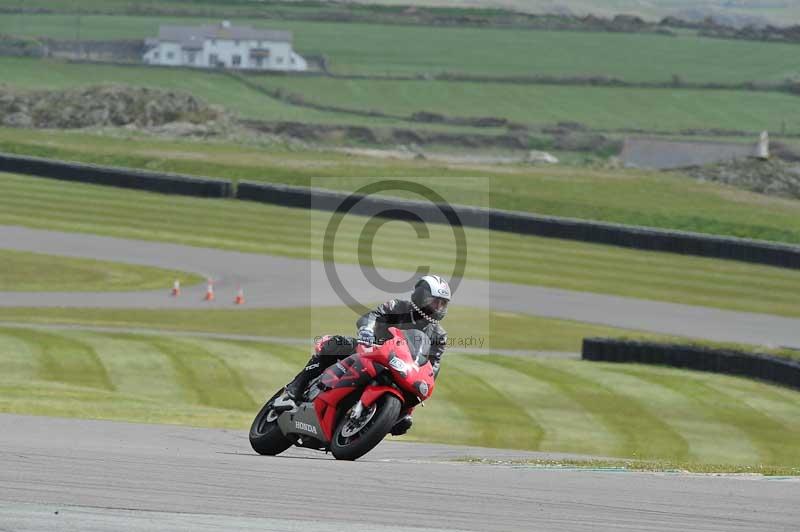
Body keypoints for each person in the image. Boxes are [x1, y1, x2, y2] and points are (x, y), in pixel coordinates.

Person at [273, 275, 451, 435]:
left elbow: (431, 366)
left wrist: (418, 395)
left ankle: (388, 416)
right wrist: (367, 329)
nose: (438, 307)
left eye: (442, 304)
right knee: (334, 344)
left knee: (410, 405)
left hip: (399, 368)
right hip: (370, 349)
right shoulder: (397, 306)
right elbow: (372, 315)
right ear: (420, 296)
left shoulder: (439, 335)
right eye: (435, 301)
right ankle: (293, 390)